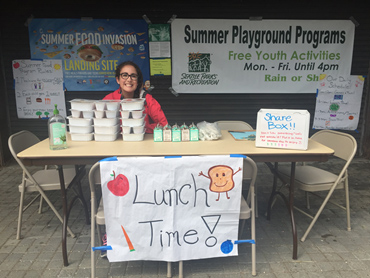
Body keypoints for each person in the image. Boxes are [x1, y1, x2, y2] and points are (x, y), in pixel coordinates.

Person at [104, 61, 168, 133]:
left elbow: (164, 125)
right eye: (125, 75)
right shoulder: (109, 100)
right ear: (118, 80)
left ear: (137, 81)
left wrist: (140, 128)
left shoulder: (147, 99)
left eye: (133, 76)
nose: (129, 79)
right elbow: (101, 125)